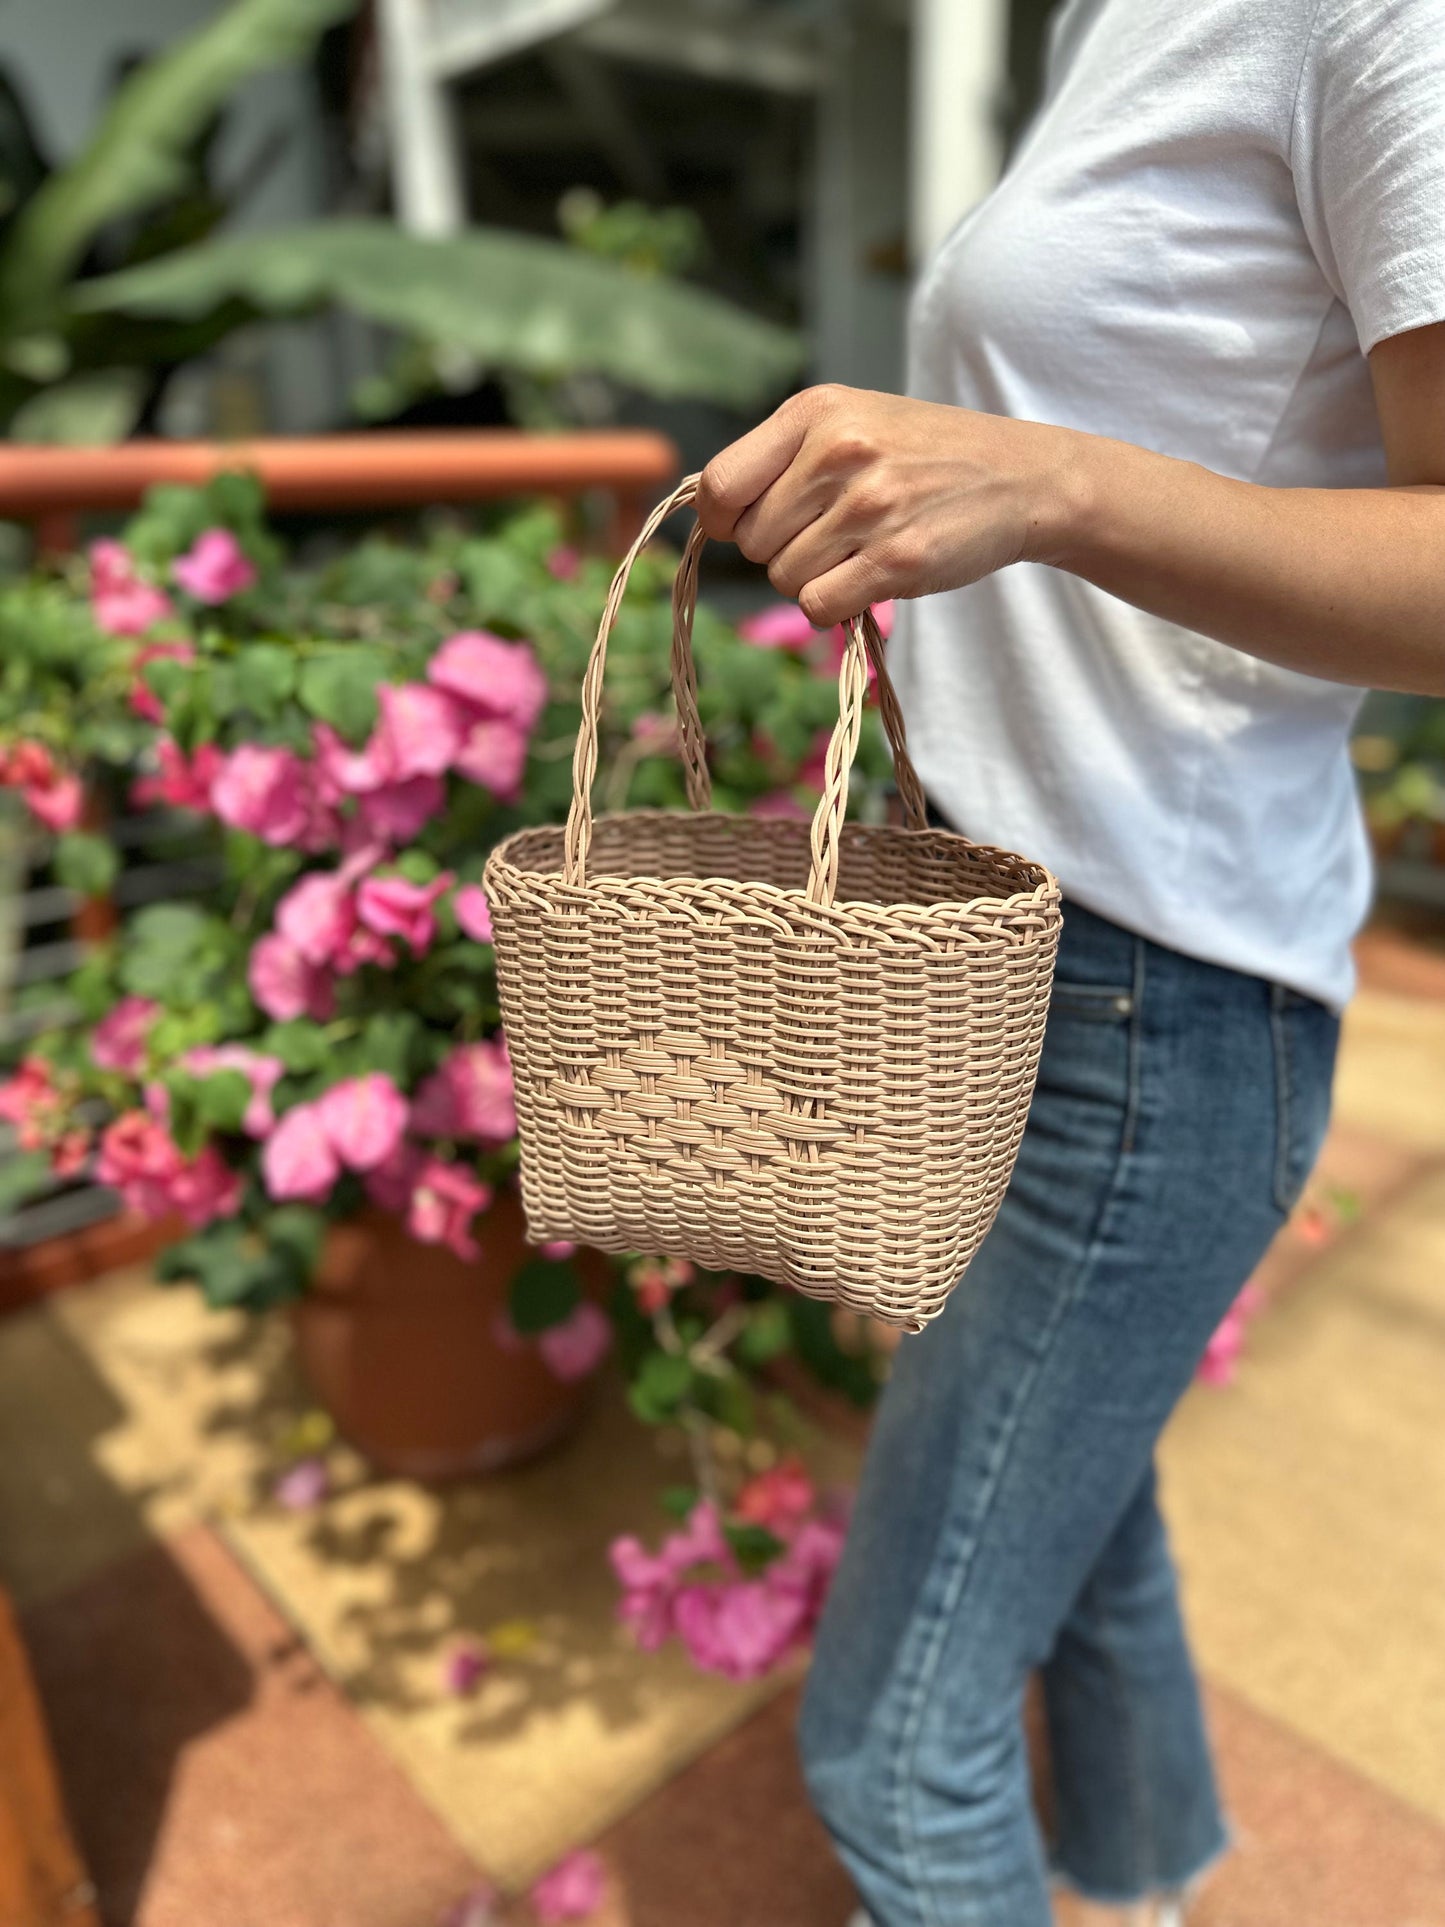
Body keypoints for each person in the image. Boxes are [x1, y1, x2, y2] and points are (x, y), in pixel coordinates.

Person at [693, 0, 1445, 1921]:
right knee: (1082, 1527)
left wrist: (1054, 485)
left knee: (889, 1740)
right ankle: (1140, 1883)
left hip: (1152, 1001)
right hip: (1013, 949)